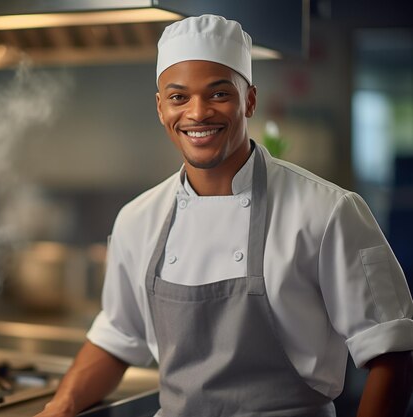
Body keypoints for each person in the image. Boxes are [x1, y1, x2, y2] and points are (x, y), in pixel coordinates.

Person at [34, 14, 413, 417]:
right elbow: (117, 336)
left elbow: (392, 351)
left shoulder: (328, 210)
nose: (198, 113)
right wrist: (59, 407)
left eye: (218, 94)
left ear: (249, 99)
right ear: (161, 107)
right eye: (178, 97)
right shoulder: (136, 219)